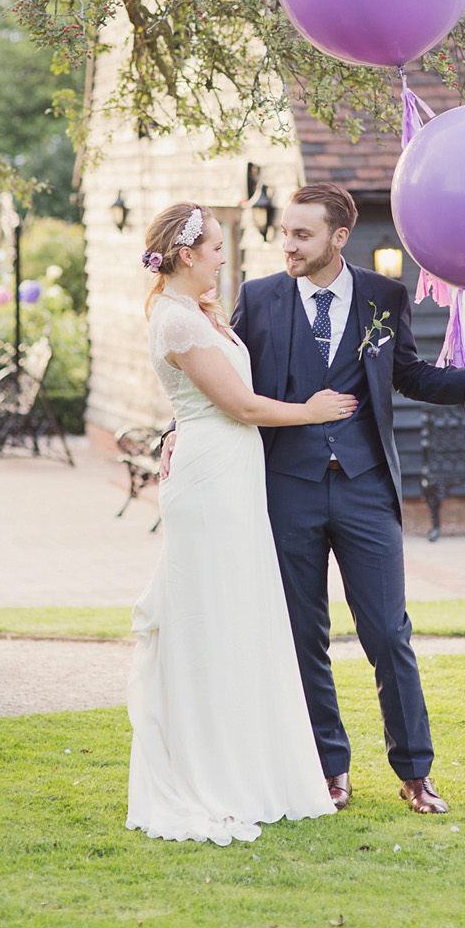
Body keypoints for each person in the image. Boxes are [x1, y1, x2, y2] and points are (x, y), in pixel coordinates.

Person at [230, 183, 465, 815]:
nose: (288, 244)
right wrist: (178, 431)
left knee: (388, 633)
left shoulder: (384, 297)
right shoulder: (258, 300)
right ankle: (328, 769)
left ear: (338, 238)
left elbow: (410, 374)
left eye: (302, 235)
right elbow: (225, 382)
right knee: (301, 635)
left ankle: (416, 772)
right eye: (285, 233)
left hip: (366, 488)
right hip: (289, 490)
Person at [125, 201, 358, 846]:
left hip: (228, 471)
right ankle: (215, 770)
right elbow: (241, 405)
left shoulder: (197, 315)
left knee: (240, 608)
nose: (225, 257)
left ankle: (251, 760)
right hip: (212, 477)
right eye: (217, 249)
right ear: (187, 254)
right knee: (215, 612)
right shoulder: (177, 322)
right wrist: (311, 412)